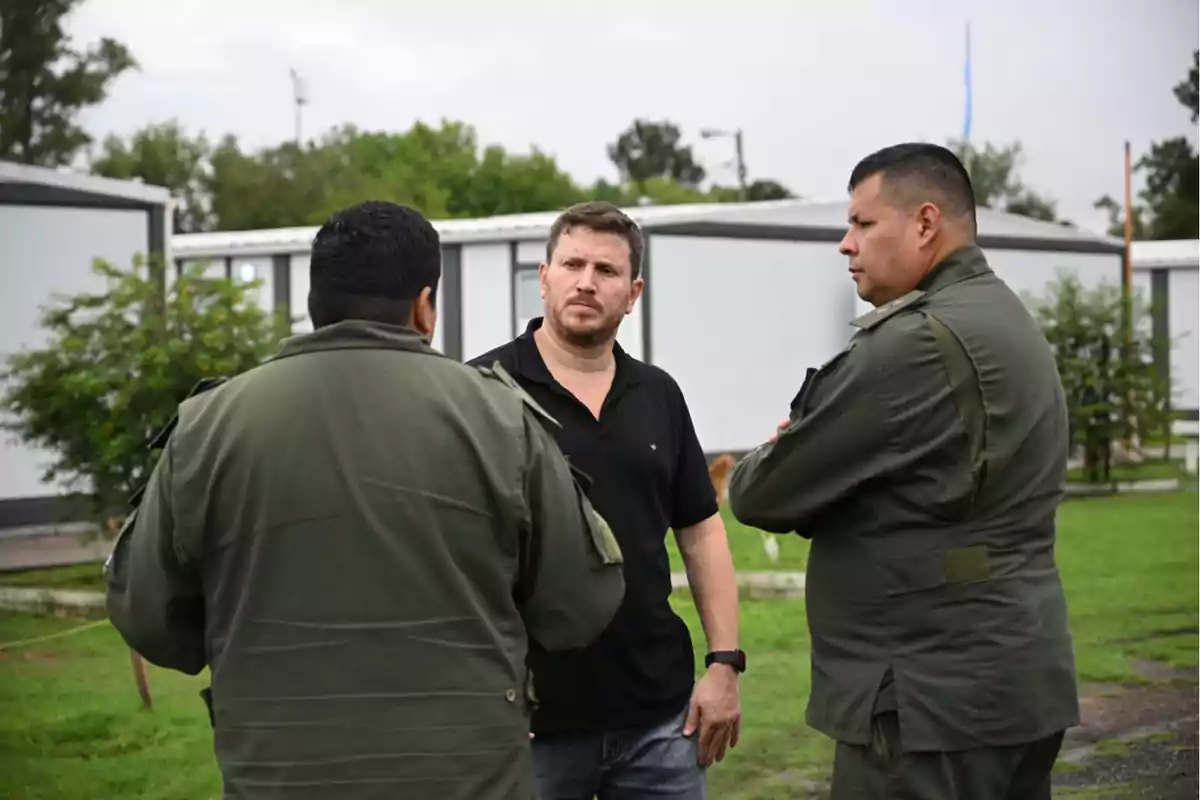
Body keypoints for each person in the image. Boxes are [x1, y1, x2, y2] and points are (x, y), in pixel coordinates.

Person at [104, 200, 627, 800]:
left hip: (278, 775)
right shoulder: (500, 418)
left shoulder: (208, 425)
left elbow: (148, 614)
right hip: (466, 776)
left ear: (313, 303)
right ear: (424, 306)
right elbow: (579, 603)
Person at [727, 143, 1079, 800]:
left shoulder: (913, 343)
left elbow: (759, 494)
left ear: (924, 223)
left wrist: (793, 451)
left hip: (927, 696)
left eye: (862, 223)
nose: (845, 244)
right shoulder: (1004, 316)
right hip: (1017, 674)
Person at [468, 201, 743, 800]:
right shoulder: (481, 392)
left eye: (606, 270)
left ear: (633, 291)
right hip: (528, 721)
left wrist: (724, 661)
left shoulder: (658, 395)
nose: (586, 282)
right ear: (544, 278)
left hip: (658, 721)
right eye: (571, 264)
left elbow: (701, 531)